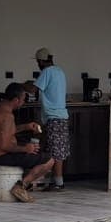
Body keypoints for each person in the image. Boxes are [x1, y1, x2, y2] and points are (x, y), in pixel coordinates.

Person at [0, 83, 53, 203]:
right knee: (49, 160)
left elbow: (4, 132)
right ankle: (21, 186)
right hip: (2, 157)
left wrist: (26, 127)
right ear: (16, 100)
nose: (23, 102)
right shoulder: (7, 115)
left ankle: (24, 183)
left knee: (31, 149)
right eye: (23, 100)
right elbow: (4, 145)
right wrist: (25, 149)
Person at [29, 47, 69, 190]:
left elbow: (33, 89)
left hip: (54, 118)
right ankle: (55, 181)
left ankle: (58, 183)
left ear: (41, 61)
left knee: (55, 152)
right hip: (61, 117)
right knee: (57, 150)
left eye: (38, 62)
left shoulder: (46, 72)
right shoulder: (59, 71)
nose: (38, 65)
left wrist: (21, 85)